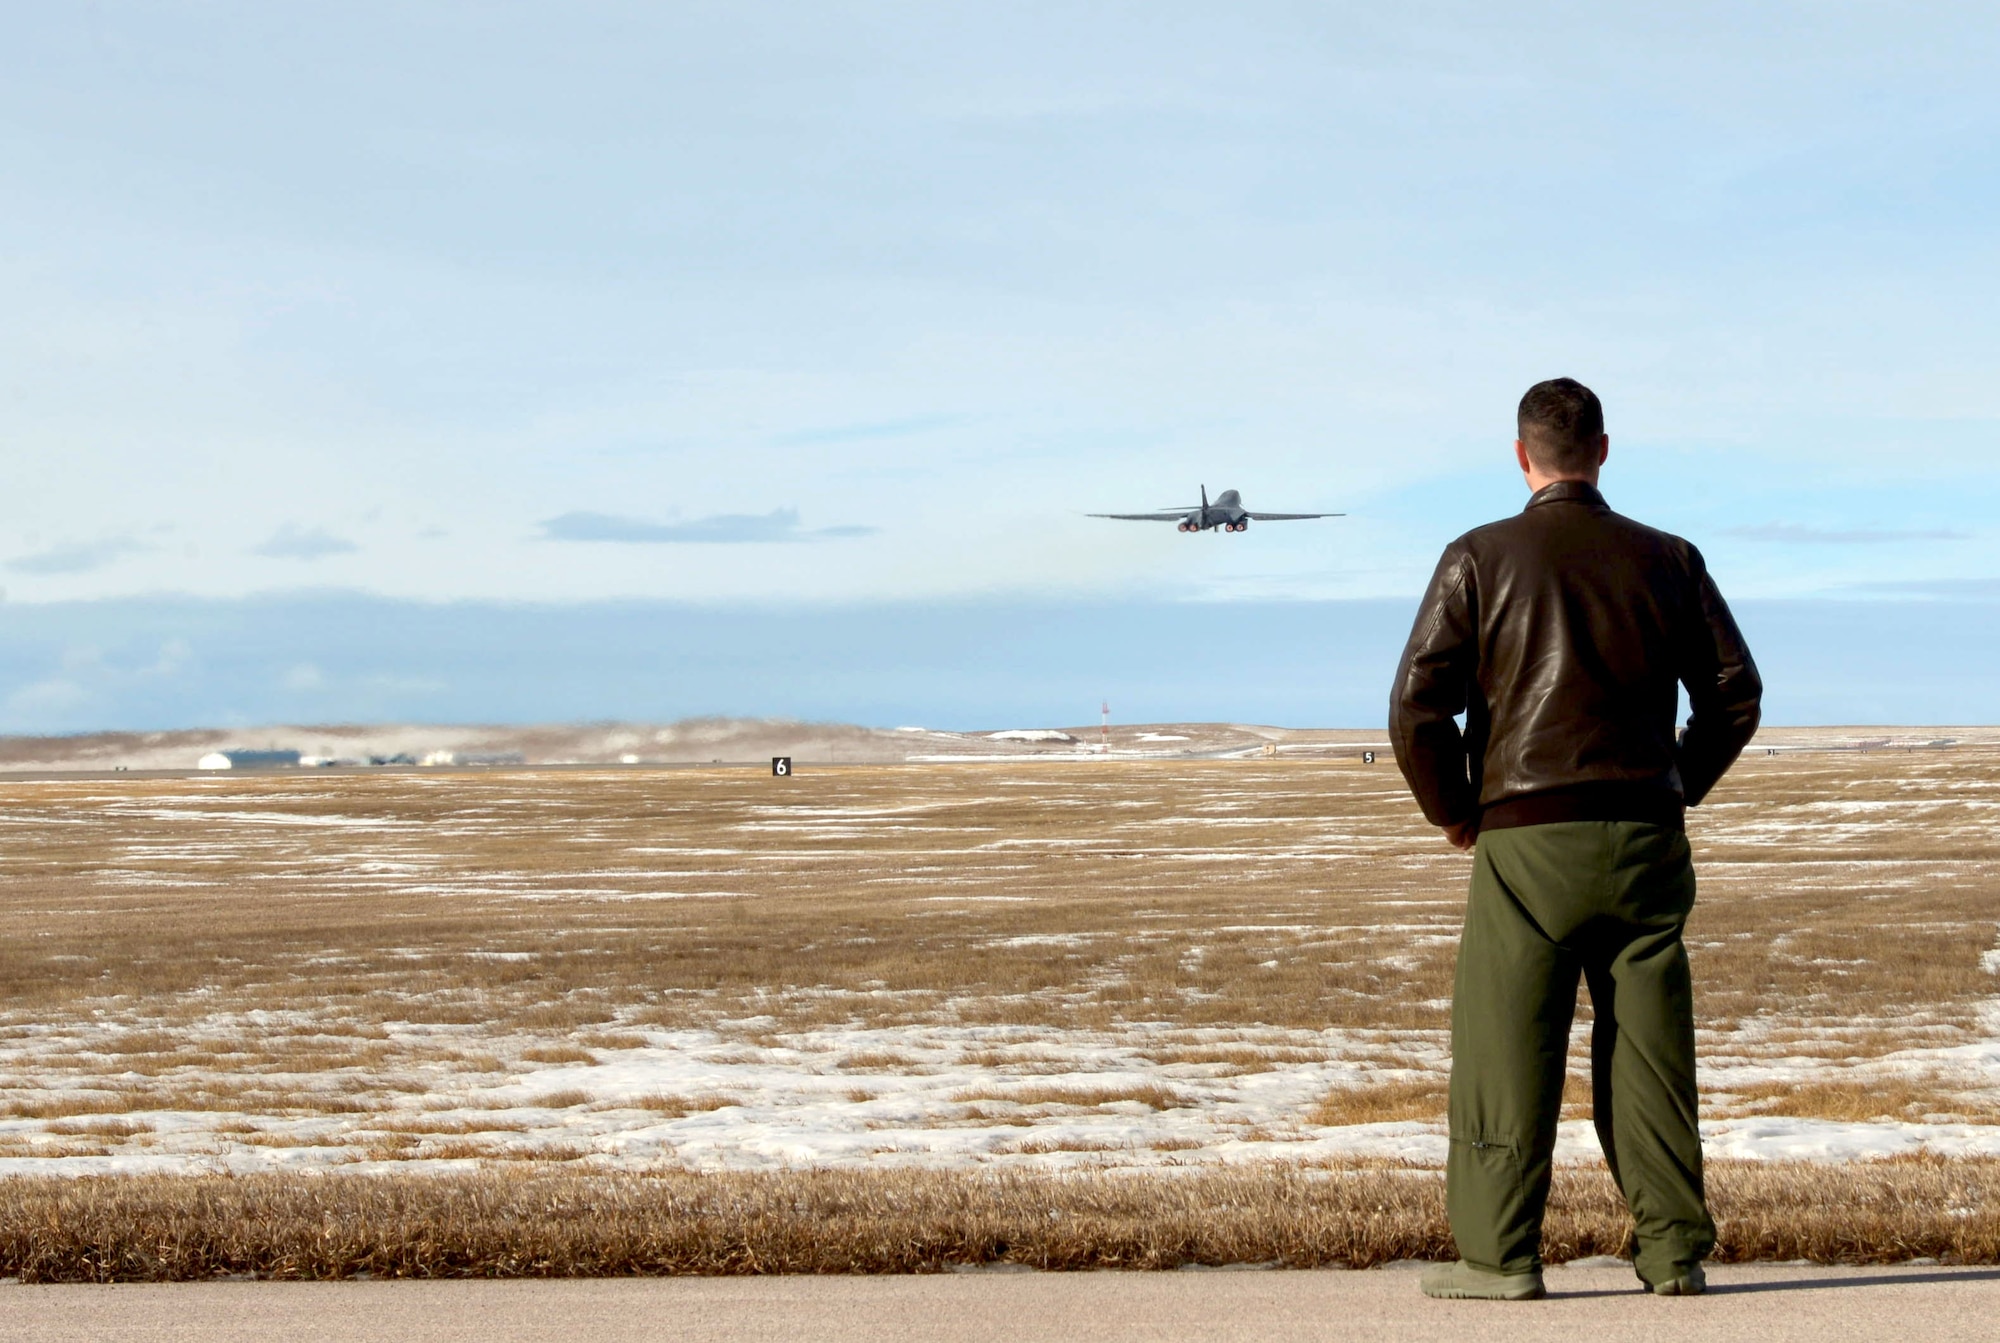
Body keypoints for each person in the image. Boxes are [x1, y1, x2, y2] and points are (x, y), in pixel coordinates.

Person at [1388, 377, 1762, 1301]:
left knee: (1506, 1048)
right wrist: (1680, 783)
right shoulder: (1669, 558)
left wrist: (1454, 811)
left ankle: (1501, 1258)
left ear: (1523, 458)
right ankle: (1674, 1254)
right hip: (1644, 840)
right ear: (1601, 450)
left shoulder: (1477, 555)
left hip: (1524, 841)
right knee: (1651, 1054)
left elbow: (1415, 707)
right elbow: (1733, 695)